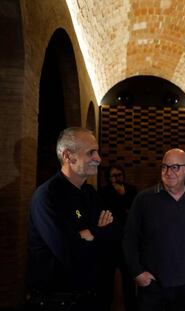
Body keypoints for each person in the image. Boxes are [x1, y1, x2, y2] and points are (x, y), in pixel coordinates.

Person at [26, 127, 117, 311]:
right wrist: (99, 231)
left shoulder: (90, 193)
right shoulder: (47, 196)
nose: (98, 159)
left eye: (97, 152)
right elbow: (68, 252)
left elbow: (115, 233)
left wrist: (89, 234)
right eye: (91, 152)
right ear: (68, 156)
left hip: (92, 298)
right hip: (57, 302)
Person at [122, 148, 185, 311]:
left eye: (175, 167)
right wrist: (138, 273)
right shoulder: (143, 199)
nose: (168, 172)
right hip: (153, 286)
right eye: (164, 167)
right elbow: (129, 239)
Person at [98, 165, 138, 311]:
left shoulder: (131, 190)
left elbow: (134, 213)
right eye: (113, 176)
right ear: (108, 178)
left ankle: (131, 306)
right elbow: (106, 214)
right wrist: (121, 202)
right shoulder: (103, 192)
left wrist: (121, 201)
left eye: (119, 175)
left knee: (129, 278)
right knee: (106, 278)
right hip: (109, 242)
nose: (117, 178)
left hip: (127, 241)